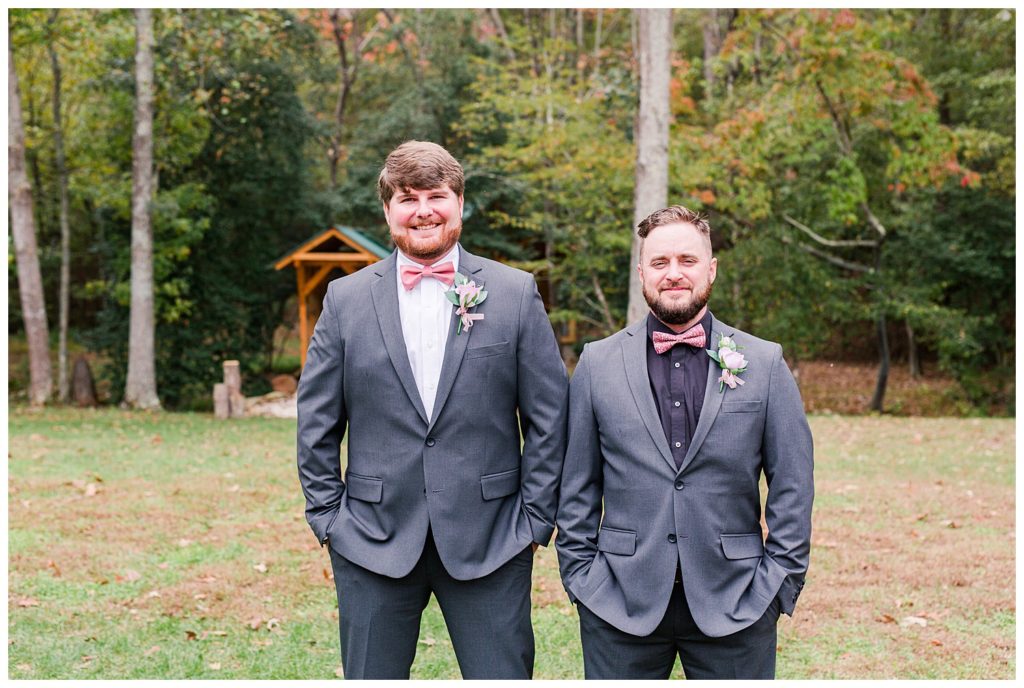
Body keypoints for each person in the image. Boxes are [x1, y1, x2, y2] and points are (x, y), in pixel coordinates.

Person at [296, 141, 568, 679]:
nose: (423, 210)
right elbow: (316, 423)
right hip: (371, 540)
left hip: (492, 538)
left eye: (436, 196)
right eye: (407, 197)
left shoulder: (514, 294)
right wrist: (329, 520)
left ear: (460, 203)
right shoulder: (344, 300)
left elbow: (550, 417)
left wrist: (534, 520)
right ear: (388, 210)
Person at [555, 205, 813, 679]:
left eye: (687, 261)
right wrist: (581, 579)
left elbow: (792, 486)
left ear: (711, 268)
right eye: (659, 263)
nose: (674, 274)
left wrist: (778, 584)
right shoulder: (597, 364)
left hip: (737, 601)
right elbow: (576, 486)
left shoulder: (766, 363)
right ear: (641, 273)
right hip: (618, 601)